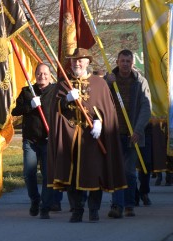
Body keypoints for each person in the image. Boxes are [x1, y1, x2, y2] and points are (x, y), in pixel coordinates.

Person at [47, 48, 126, 223]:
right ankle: (76, 210)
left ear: (88, 62)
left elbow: (108, 110)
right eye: (74, 60)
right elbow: (54, 110)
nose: (77, 63)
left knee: (94, 174)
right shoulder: (63, 83)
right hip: (70, 137)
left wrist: (99, 121)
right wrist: (65, 99)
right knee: (73, 176)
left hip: (92, 138)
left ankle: (94, 209)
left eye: (81, 60)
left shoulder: (99, 83)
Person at [107, 49, 152, 218]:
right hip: (114, 133)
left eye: (128, 61)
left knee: (129, 171)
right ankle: (117, 205)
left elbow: (146, 108)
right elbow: (99, 99)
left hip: (133, 134)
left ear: (132, 63)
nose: (125, 64)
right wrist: (107, 84)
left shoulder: (140, 82)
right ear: (117, 62)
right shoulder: (110, 80)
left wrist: (138, 130)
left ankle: (129, 204)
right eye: (122, 61)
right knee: (116, 171)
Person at [11, 63, 55, 219]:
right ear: (35, 75)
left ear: (50, 75)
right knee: (29, 174)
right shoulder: (27, 91)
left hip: (49, 140)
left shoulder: (56, 91)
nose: (42, 76)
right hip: (31, 140)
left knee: (48, 175)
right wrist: (30, 105)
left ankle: (45, 206)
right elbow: (15, 111)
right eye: (39, 73)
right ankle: (35, 200)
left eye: (45, 73)